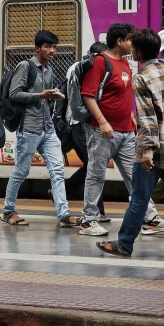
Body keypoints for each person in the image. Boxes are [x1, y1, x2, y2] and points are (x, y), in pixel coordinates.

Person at [96, 28, 164, 263]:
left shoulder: (141, 78)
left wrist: (147, 151)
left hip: (155, 148)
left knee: (139, 197)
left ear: (137, 51)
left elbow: (148, 120)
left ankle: (124, 243)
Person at [79, 23, 164, 236]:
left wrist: (131, 116)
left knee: (135, 176)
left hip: (126, 130)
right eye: (131, 39)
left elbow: (123, 96)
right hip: (101, 131)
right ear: (119, 41)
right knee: (96, 175)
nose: (133, 44)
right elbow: (88, 94)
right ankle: (88, 220)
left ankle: (149, 218)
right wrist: (102, 120)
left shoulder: (125, 63)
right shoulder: (100, 62)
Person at [1, 30, 79, 228]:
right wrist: (41, 96)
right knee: (21, 170)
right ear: (38, 48)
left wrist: (53, 96)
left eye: (54, 47)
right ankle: (8, 210)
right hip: (29, 128)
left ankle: (63, 213)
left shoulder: (50, 70)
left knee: (58, 171)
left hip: (48, 128)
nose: (52, 50)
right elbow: (14, 94)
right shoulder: (25, 66)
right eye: (47, 47)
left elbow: (43, 97)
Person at [63, 42, 109, 221]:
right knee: (94, 164)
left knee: (94, 164)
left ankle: (64, 190)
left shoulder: (90, 66)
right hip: (78, 123)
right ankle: (97, 211)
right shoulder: (81, 68)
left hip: (86, 122)